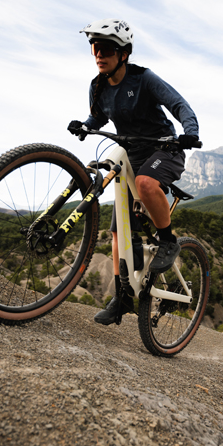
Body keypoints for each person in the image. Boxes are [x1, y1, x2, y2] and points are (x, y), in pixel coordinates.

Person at [68, 18, 200, 326]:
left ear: (123, 53)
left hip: (164, 149)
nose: (99, 54)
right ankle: (123, 296)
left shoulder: (144, 79)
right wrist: (86, 126)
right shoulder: (97, 86)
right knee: (118, 232)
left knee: (145, 182)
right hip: (131, 153)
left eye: (106, 49)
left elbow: (180, 106)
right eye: (94, 48)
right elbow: (99, 117)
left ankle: (168, 240)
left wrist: (190, 132)